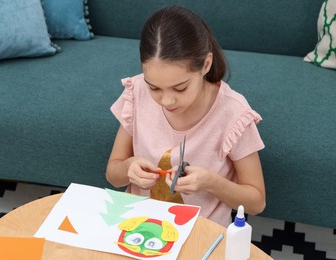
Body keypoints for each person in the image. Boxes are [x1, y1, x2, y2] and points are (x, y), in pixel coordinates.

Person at [106, 6, 265, 227]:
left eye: (180, 88)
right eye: (154, 88)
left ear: (206, 65)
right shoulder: (137, 91)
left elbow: (256, 202)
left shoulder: (233, 113)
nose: (166, 101)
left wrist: (211, 182)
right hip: (138, 223)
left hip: (200, 232)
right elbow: (113, 174)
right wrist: (128, 169)